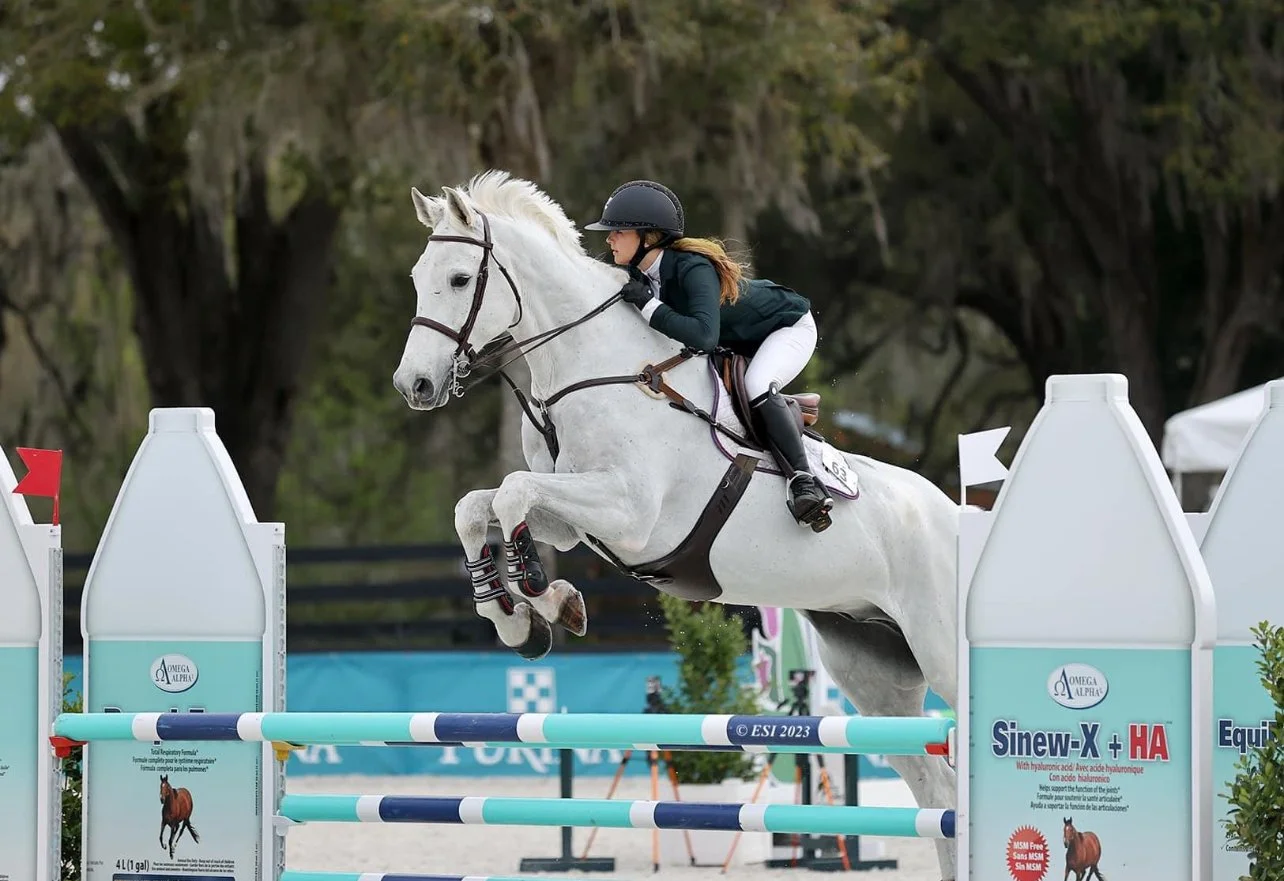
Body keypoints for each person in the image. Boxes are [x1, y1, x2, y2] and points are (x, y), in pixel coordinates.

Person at [584, 179, 834, 530]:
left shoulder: (691, 267)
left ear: (648, 237)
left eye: (617, 232)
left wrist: (647, 305)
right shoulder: (638, 273)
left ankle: (803, 481)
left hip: (786, 327)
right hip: (738, 339)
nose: (608, 238)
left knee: (757, 384)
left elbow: (703, 336)